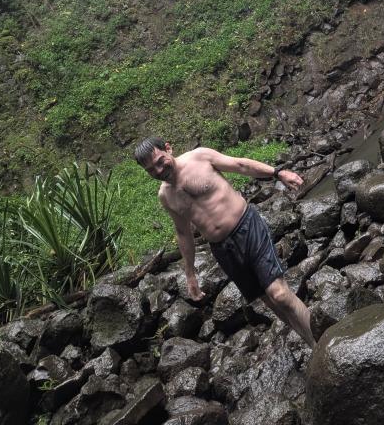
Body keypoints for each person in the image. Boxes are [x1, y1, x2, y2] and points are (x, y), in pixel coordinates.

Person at [134, 137, 315, 347]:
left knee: (280, 294)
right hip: (223, 250)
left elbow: (241, 165)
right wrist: (190, 274)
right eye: (150, 170)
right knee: (272, 303)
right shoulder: (165, 196)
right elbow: (183, 233)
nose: (158, 170)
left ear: (168, 148)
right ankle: (313, 344)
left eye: (159, 161)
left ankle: (322, 343)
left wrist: (277, 173)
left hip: (247, 227)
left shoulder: (200, 157)